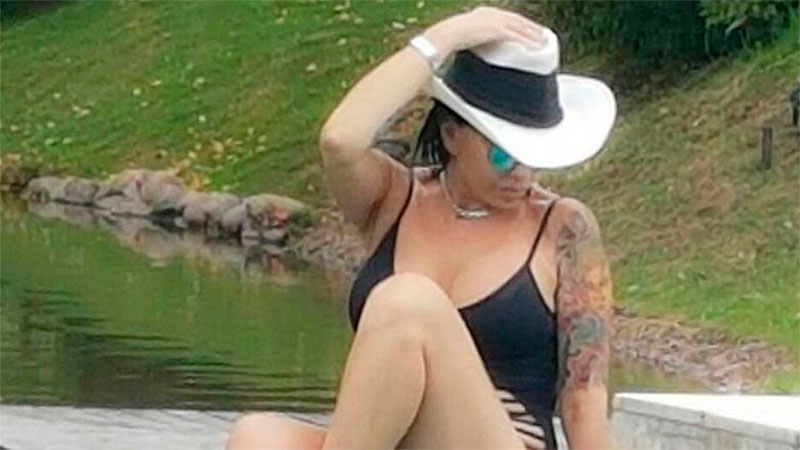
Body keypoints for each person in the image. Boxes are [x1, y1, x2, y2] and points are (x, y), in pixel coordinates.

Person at [227, 6, 616, 450]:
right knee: (259, 437)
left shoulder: (563, 227)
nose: (521, 175)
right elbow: (340, 141)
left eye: (534, 156)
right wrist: (446, 36)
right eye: (504, 155)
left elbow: (584, 398)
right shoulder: (394, 199)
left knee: (408, 301)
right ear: (452, 135)